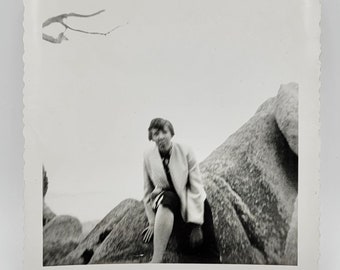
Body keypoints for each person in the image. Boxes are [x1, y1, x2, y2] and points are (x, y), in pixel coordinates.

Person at [141, 118, 220, 263]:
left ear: (171, 133)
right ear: (151, 138)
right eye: (156, 134)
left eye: (164, 132)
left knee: (209, 253)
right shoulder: (148, 156)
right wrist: (152, 221)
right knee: (168, 198)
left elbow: (196, 186)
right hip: (167, 199)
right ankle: (155, 260)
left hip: (192, 199)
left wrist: (197, 225)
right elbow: (147, 191)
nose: (161, 137)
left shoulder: (186, 151)